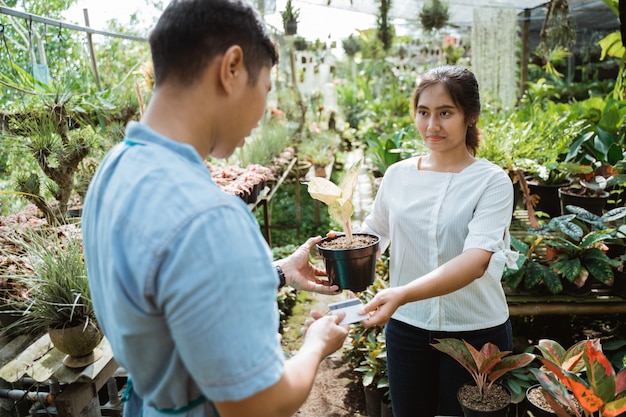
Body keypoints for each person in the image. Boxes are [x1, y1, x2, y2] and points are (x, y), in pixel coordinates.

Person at [80, 1, 348, 416]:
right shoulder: (210, 218)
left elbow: (171, 293)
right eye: (266, 89)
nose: (262, 115)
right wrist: (315, 346)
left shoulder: (113, 172)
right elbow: (259, 405)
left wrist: (274, 273)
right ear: (232, 68)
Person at [357, 65, 519, 417]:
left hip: (475, 333)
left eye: (445, 113)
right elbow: (374, 233)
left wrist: (401, 293)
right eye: (423, 112)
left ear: (470, 116)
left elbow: (475, 262)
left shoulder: (491, 182)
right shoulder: (398, 175)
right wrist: (337, 257)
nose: (432, 126)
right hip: (408, 329)